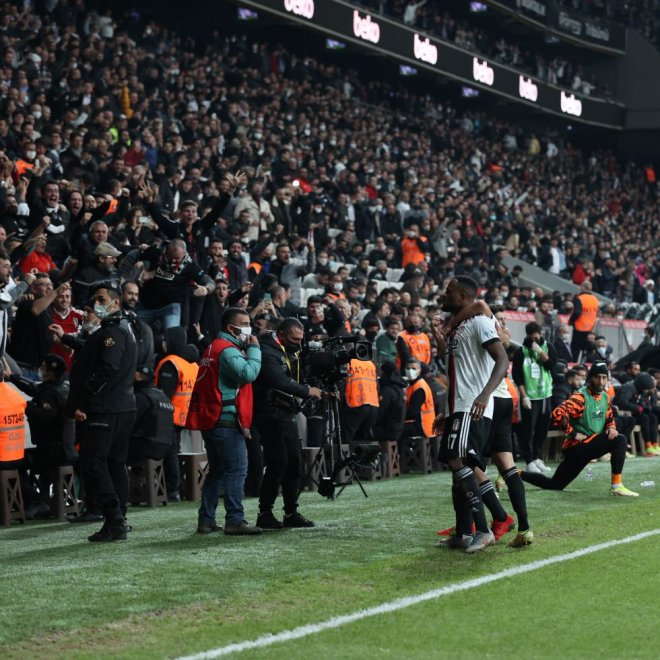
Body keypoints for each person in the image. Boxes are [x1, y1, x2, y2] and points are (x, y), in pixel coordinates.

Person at [435, 277, 509, 553]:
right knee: (459, 467)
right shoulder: (458, 327)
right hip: (457, 406)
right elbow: (456, 372)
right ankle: (464, 532)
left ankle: (484, 529)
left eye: (449, 292)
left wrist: (485, 394)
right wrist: (445, 411)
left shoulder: (479, 321)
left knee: (458, 460)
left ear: (463, 296)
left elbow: (502, 359)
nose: (444, 295)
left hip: (472, 405)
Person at [67, 281, 137, 542]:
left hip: (106, 408)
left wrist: (84, 399)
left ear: (116, 302)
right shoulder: (125, 328)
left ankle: (114, 520)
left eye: (101, 299)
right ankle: (119, 519)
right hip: (122, 406)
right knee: (115, 463)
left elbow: (107, 368)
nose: (96, 304)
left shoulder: (113, 331)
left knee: (95, 463)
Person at [186, 307, 262, 535]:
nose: (249, 329)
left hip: (212, 418)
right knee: (236, 470)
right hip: (225, 419)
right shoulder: (227, 351)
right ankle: (235, 520)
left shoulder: (212, 347)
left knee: (218, 471)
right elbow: (248, 373)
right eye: (245, 324)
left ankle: (206, 519)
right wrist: (255, 350)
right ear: (231, 328)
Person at [521, 363, 638, 496]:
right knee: (620, 440)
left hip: (587, 446)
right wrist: (573, 433)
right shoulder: (580, 397)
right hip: (578, 446)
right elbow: (557, 413)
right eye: (597, 377)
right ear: (590, 378)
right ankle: (617, 486)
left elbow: (609, 418)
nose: (601, 381)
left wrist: (611, 428)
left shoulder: (605, 397)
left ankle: (514, 473)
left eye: (604, 377)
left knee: (554, 484)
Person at [253, 317, 321, 530]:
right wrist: (307, 391)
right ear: (281, 335)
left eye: (301, 339)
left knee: (294, 462)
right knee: (277, 462)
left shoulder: (288, 352)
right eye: (295, 339)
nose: (299, 344)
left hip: (285, 413)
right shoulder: (266, 351)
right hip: (267, 414)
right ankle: (265, 513)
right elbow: (279, 381)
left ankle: (291, 512)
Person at [155, 327, 200, 501]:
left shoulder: (171, 362)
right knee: (175, 450)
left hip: (169, 415)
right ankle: (177, 488)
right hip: (185, 414)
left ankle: (173, 490)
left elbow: (164, 394)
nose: (163, 343)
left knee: (170, 453)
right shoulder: (192, 363)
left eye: (165, 340)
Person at [512, 322, 557, 474]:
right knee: (528, 430)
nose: (533, 340)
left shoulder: (549, 347)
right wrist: (523, 396)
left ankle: (537, 457)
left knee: (542, 429)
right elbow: (517, 375)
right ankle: (529, 461)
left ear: (540, 333)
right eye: (531, 338)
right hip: (530, 396)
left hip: (545, 395)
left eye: (536, 337)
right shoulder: (521, 351)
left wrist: (540, 352)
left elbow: (552, 366)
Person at [128, 365, 177, 465]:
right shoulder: (165, 398)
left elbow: (129, 422)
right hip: (165, 449)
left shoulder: (141, 397)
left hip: (143, 447)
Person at [614, 372, 659, 457]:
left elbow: (642, 402)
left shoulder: (641, 389)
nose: (647, 391)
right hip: (625, 413)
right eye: (647, 389)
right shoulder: (629, 388)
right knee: (645, 418)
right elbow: (622, 402)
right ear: (643, 386)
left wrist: (645, 407)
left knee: (653, 417)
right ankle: (648, 446)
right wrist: (638, 408)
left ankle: (654, 445)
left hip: (635, 413)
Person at [341, 353, 380, 443]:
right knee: (363, 441)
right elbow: (377, 387)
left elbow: (341, 386)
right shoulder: (370, 364)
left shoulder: (349, 362)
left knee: (345, 439)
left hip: (355, 404)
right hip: (373, 406)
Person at [401, 358, 436, 439]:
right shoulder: (414, 384)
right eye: (408, 368)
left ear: (419, 371)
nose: (410, 371)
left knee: (393, 429)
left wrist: (397, 418)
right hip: (421, 423)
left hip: (423, 425)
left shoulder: (419, 388)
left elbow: (413, 412)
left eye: (413, 368)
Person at [373, 361, 406, 443]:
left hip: (387, 431)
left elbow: (378, 413)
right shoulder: (399, 388)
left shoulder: (387, 391)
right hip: (396, 430)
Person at [569, 281, 599, 361]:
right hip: (590, 329)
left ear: (583, 287)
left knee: (575, 350)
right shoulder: (595, 299)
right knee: (587, 350)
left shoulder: (580, 298)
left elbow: (577, 312)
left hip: (580, 327)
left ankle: (574, 364)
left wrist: (571, 320)